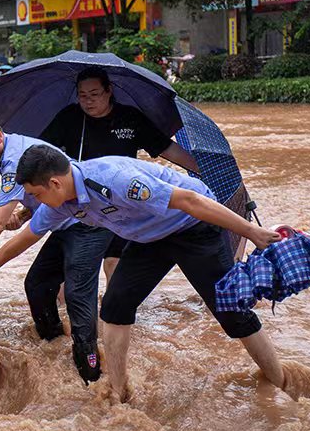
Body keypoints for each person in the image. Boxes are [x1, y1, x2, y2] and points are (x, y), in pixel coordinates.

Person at [0, 145, 288, 403]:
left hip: (192, 228)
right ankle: (119, 391)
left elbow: (190, 200)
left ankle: (281, 382)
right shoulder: (59, 202)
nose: (33, 202)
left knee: (232, 313)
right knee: (115, 307)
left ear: (55, 183)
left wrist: (251, 231)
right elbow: (26, 237)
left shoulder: (115, 180)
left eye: (35, 194)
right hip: (149, 239)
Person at [0, 112, 108, 384]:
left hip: (87, 223)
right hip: (62, 222)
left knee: (78, 294)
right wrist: (26, 211)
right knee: (37, 284)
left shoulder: (12, 162)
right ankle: (54, 346)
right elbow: (40, 192)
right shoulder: (12, 147)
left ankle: (92, 373)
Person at [40, 67, 199, 283]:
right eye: (83, 96)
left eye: (94, 95)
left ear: (109, 91)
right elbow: (41, 152)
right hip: (81, 202)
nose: (88, 102)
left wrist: (201, 168)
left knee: (113, 261)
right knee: (70, 269)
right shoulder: (69, 117)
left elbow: (165, 148)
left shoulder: (130, 118)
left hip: (122, 202)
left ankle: (115, 311)